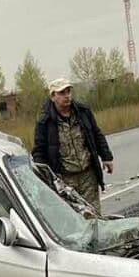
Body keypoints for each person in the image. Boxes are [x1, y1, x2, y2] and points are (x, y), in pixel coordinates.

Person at [32, 77, 114, 215]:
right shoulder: (45, 121)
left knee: (94, 216)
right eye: (62, 93)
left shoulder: (83, 112)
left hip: (88, 174)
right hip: (65, 179)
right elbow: (39, 152)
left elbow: (96, 134)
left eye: (68, 91)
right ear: (53, 96)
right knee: (73, 218)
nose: (67, 96)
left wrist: (107, 157)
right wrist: (45, 179)